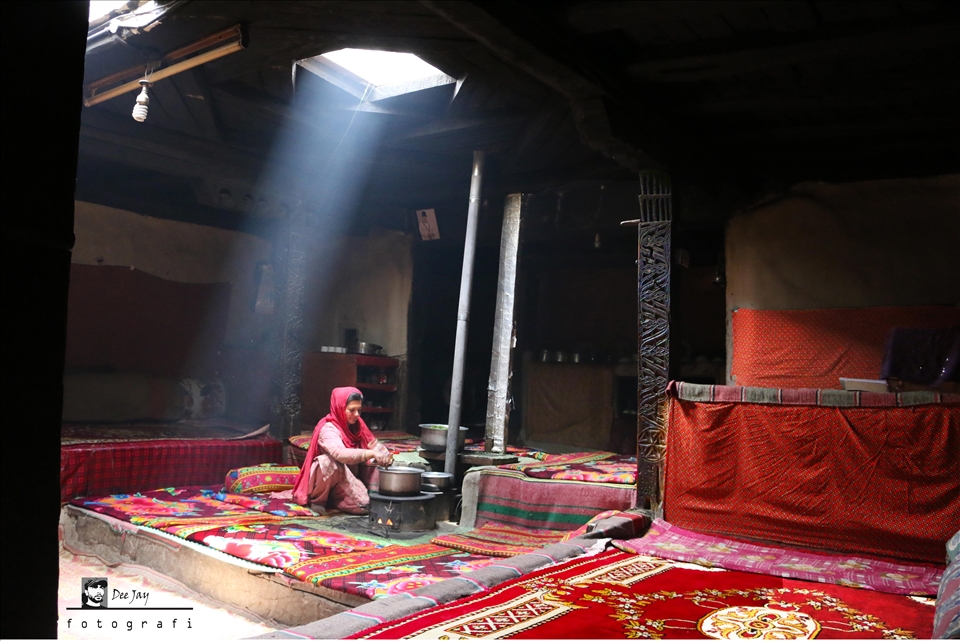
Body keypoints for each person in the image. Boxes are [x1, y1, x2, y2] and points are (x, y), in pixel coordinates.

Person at [292, 387, 394, 514]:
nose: (357, 414)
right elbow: (339, 453)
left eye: (359, 410)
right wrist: (371, 453)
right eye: (352, 410)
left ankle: (335, 499)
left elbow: (375, 446)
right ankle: (318, 500)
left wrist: (385, 457)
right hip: (327, 477)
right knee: (327, 461)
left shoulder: (357, 425)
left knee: (363, 506)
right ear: (340, 408)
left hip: (346, 476)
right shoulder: (328, 429)